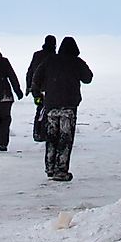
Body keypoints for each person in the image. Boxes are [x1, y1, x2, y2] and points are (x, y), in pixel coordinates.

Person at [31, 35, 94, 181]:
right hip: (69, 106)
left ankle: (50, 167)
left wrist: (37, 95)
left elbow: (36, 77)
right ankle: (61, 169)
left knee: (51, 137)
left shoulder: (50, 60)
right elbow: (88, 78)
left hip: (51, 105)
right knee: (65, 138)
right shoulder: (76, 62)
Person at [24, 35, 57, 143]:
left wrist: (29, 86)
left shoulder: (37, 55)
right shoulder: (54, 57)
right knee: (48, 110)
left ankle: (37, 132)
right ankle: (44, 132)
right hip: (49, 90)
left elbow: (30, 72)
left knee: (40, 109)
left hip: (36, 89)